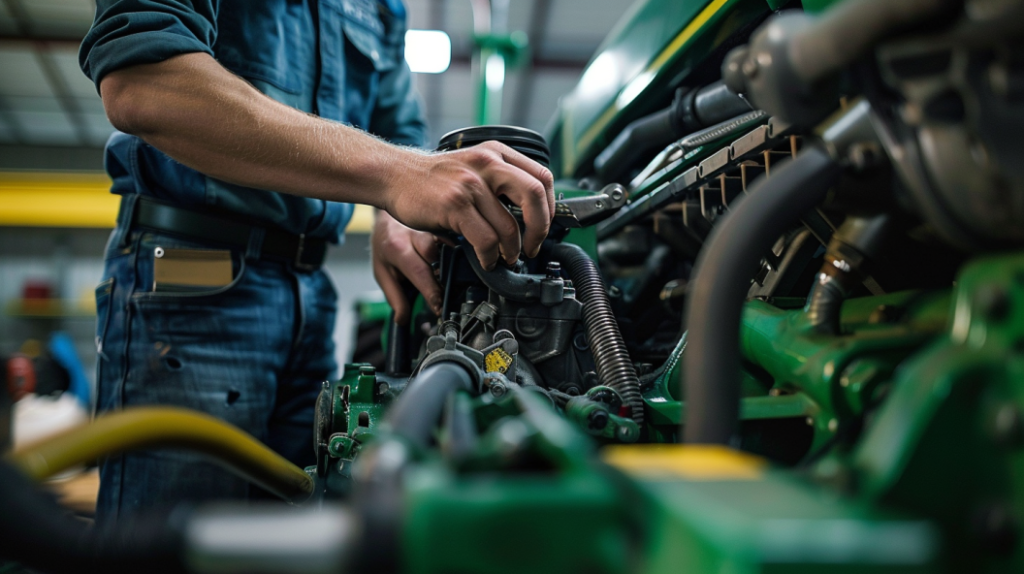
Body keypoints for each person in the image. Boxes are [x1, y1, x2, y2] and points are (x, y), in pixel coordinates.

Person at [80, 0, 554, 522]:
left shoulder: (379, 7)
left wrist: (398, 219)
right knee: (175, 545)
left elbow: (401, 129)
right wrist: (399, 174)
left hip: (310, 287)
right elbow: (145, 83)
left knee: (295, 535)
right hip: (192, 281)